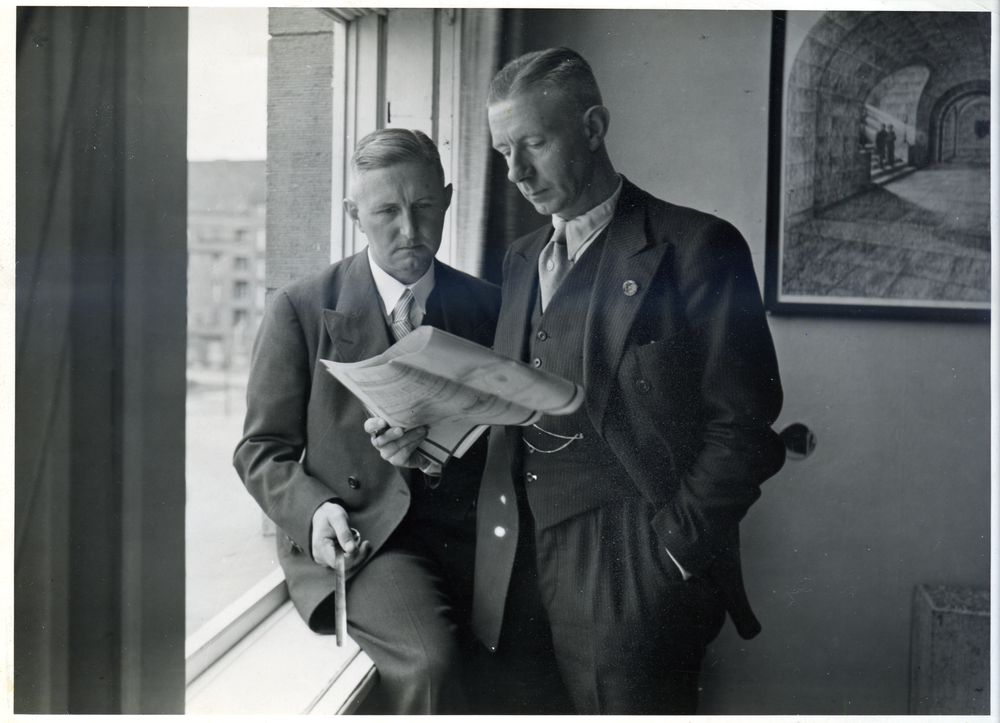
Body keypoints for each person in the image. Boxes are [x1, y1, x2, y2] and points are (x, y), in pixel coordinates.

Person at [472, 47, 785, 714]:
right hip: (519, 559)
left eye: (533, 143)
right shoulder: (523, 258)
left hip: (632, 562)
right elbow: (515, 396)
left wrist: (670, 552)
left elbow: (745, 429)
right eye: (503, 152)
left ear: (593, 127)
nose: (517, 173)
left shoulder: (697, 246)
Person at [234, 128, 501, 714]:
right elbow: (260, 449)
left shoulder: (489, 307)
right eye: (387, 211)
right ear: (356, 215)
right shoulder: (301, 308)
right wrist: (316, 511)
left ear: (449, 199)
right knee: (430, 663)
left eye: (425, 206)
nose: (410, 229)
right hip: (366, 536)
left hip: (472, 530)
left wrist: (435, 450)